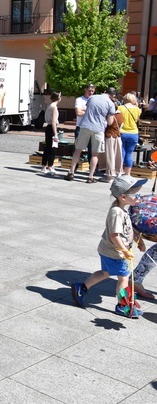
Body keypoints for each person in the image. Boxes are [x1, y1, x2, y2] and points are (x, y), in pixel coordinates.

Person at [71, 175, 147, 318]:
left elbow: (128, 230)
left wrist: (138, 240)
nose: (139, 197)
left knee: (106, 272)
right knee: (124, 278)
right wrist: (124, 251)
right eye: (136, 194)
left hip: (110, 251)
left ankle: (81, 287)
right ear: (123, 197)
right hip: (115, 252)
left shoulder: (123, 209)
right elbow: (114, 235)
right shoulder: (116, 213)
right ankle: (123, 305)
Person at [65, 87, 116, 183]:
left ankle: (71, 172)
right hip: (98, 129)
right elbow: (110, 122)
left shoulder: (92, 98)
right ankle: (90, 176)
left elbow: (87, 109)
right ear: (112, 95)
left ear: (105, 92)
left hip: (85, 126)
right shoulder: (110, 104)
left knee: (78, 150)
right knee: (95, 154)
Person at [101, 98, 123, 182]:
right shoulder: (120, 114)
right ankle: (118, 173)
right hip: (117, 136)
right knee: (117, 155)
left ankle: (109, 176)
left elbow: (107, 124)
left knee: (110, 156)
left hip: (110, 136)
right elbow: (121, 126)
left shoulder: (111, 115)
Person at [119, 92, 140, 176]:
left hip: (122, 132)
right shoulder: (137, 109)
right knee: (129, 154)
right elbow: (137, 120)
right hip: (134, 133)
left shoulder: (120, 108)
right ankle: (128, 173)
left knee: (121, 153)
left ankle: (119, 171)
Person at [40, 92, 60, 175]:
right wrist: (55, 134)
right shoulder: (54, 107)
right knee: (52, 148)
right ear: (58, 98)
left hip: (48, 127)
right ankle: (49, 166)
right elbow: (54, 121)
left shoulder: (50, 106)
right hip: (51, 128)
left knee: (48, 147)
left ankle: (45, 166)